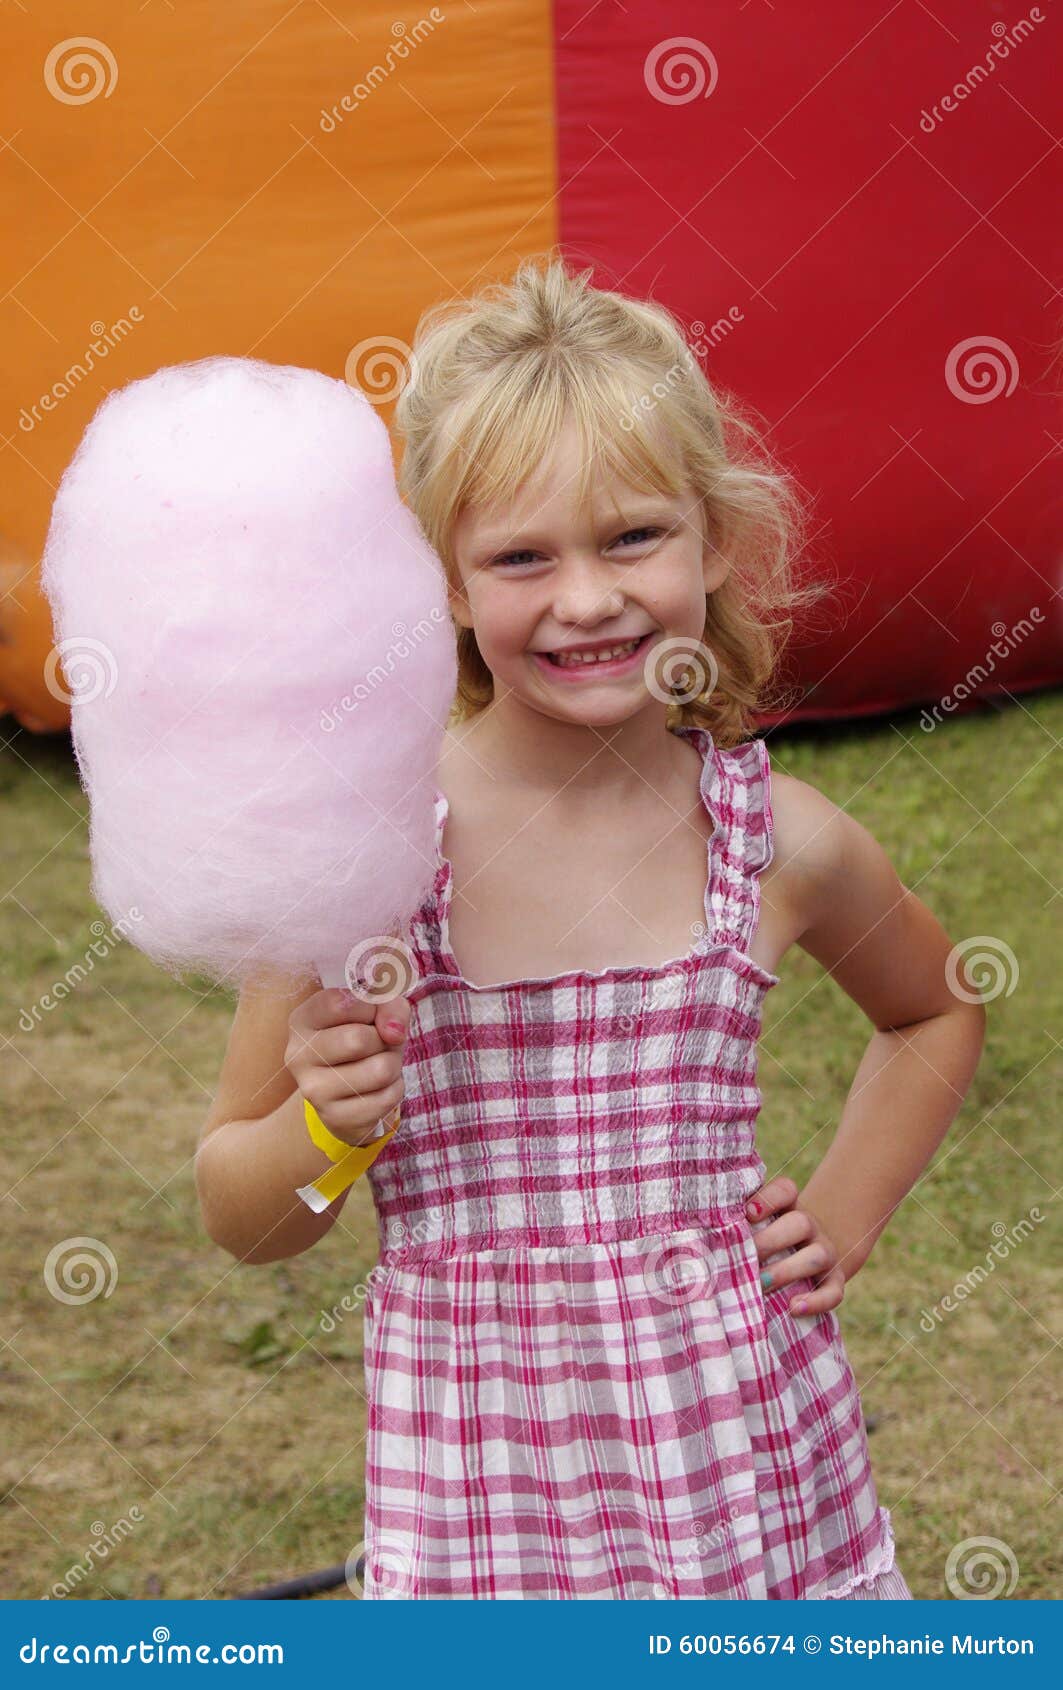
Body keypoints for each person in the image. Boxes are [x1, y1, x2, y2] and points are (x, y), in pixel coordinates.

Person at [196, 256, 986, 1599]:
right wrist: (324, 1128)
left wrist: (842, 1216)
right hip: (485, 1513)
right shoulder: (360, 863)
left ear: (712, 540)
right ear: (445, 582)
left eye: (631, 537)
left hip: (747, 1491)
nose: (585, 598)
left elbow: (935, 1007)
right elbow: (244, 1216)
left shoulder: (774, 840)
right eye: (521, 555)